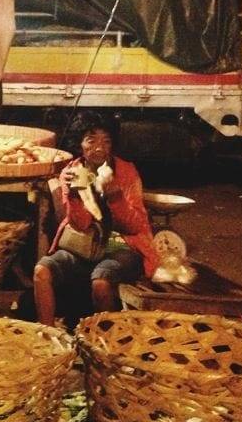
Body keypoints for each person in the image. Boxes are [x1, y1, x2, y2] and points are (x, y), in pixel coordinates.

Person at [33, 113, 159, 327]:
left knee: (101, 282)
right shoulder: (73, 173)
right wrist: (73, 195)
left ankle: (105, 340)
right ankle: (48, 335)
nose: (99, 147)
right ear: (80, 144)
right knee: (41, 272)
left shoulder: (126, 172)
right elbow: (80, 225)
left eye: (106, 141)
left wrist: (115, 198)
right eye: (91, 140)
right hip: (84, 246)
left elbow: (134, 226)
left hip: (121, 246)